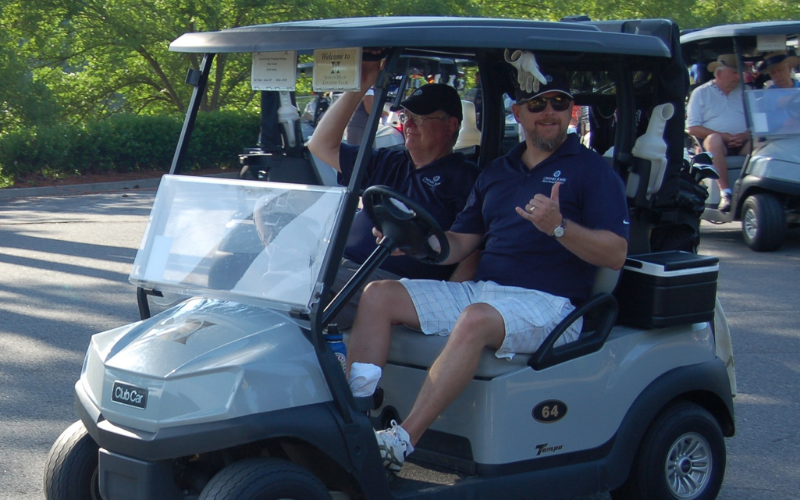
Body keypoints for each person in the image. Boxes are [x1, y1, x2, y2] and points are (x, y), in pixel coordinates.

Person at [345, 68, 629, 472]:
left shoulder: (592, 171)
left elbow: (616, 254)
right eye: (538, 104)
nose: (549, 112)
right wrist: (412, 240)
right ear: (519, 112)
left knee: (475, 318)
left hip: (551, 305)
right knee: (379, 295)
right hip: (487, 292)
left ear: (571, 110)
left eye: (559, 103)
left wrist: (559, 227)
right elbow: (461, 241)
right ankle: (355, 419)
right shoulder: (499, 171)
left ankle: (401, 442)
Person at [307, 57, 480, 329]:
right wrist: (362, 85)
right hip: (341, 265)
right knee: (279, 269)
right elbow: (321, 145)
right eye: (406, 117)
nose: (409, 124)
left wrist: (448, 304)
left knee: (304, 290)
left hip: (391, 283)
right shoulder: (389, 160)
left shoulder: (466, 178)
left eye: (420, 118)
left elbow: (473, 248)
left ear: (450, 126)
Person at [686, 54, 751, 212]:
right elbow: (692, 127)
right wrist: (725, 137)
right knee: (713, 139)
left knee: (763, 141)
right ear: (720, 73)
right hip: (717, 145)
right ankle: (726, 193)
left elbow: (759, 122)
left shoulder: (746, 91)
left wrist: (743, 136)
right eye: (734, 73)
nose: (738, 77)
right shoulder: (701, 93)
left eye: (739, 73)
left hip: (744, 142)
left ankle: (759, 190)